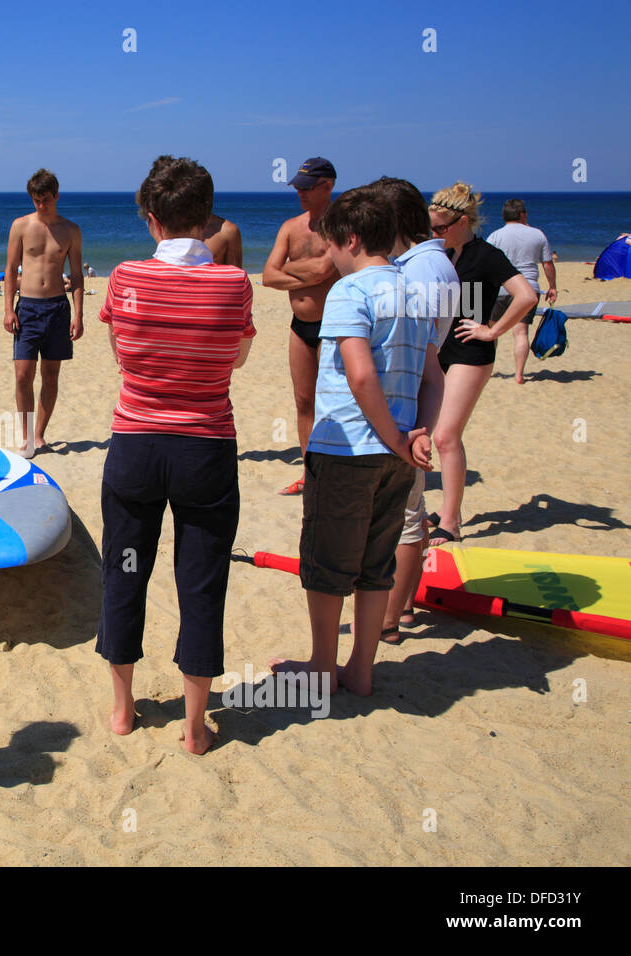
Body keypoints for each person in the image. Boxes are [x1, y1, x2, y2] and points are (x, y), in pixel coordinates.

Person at [98, 156, 255, 754]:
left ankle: (122, 709)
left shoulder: (125, 278)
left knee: (124, 571)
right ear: (208, 218)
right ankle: (193, 726)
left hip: (136, 443)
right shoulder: (234, 283)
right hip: (206, 446)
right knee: (201, 580)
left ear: (152, 218)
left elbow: (122, 354)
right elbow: (236, 360)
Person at [269, 187, 443, 697]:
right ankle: (361, 670)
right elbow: (434, 377)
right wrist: (418, 435)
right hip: (399, 457)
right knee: (375, 564)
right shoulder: (414, 289)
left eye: (331, 250)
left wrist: (391, 435)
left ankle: (323, 667)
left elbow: (360, 375)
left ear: (349, 240)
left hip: (347, 447)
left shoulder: (350, 291)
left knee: (325, 563)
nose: (330, 260)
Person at [372, 177, 460, 641]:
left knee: (403, 518)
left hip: (402, 406)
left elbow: (415, 347)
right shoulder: (436, 264)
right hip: (413, 400)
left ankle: (390, 617)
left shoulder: (420, 273)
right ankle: (402, 607)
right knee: (412, 508)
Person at [428, 183, 536, 545]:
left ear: (461, 221)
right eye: (431, 228)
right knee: (426, 432)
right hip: (438, 348)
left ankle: (451, 523)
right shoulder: (440, 252)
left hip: (470, 352)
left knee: (445, 436)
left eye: (440, 227)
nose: (434, 233)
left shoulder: (486, 254)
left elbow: (526, 295)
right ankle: (450, 510)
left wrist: (492, 331)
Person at [262, 157, 341, 495]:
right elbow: (267, 276)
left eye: (307, 188)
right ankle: (311, 474)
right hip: (300, 326)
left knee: (332, 402)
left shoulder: (343, 225)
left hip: (335, 326)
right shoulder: (291, 227)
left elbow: (326, 269)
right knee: (303, 402)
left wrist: (293, 270)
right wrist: (312, 273)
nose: (301, 193)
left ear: (328, 186)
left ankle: (336, 473)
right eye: (297, 187)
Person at [4, 168, 83, 457]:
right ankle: (25, 436)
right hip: (27, 307)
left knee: (51, 374)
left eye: (46, 200)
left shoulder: (71, 230)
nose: (41, 205)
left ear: (56, 196)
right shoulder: (21, 226)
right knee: (23, 375)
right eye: (36, 200)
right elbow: (11, 270)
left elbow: (76, 276)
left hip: (58, 308)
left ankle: (39, 435)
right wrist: (8, 309)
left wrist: (78, 314)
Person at [486, 199, 558, 383]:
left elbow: (486, 264)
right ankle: (519, 375)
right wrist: (552, 286)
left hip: (501, 288)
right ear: (522, 214)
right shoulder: (537, 234)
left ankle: (487, 371)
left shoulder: (495, 236)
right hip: (527, 289)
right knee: (520, 332)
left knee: (491, 331)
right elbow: (547, 264)